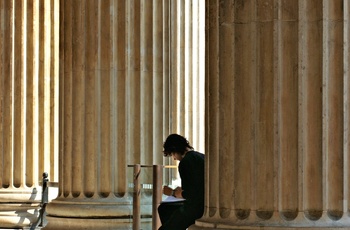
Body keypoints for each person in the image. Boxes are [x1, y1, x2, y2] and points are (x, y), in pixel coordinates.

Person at [158, 134, 205, 230]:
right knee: (165, 209)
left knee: (165, 214)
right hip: (205, 205)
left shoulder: (185, 162)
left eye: (172, 154)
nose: (174, 158)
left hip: (196, 208)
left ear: (175, 150)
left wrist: (173, 193)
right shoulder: (202, 157)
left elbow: (190, 194)